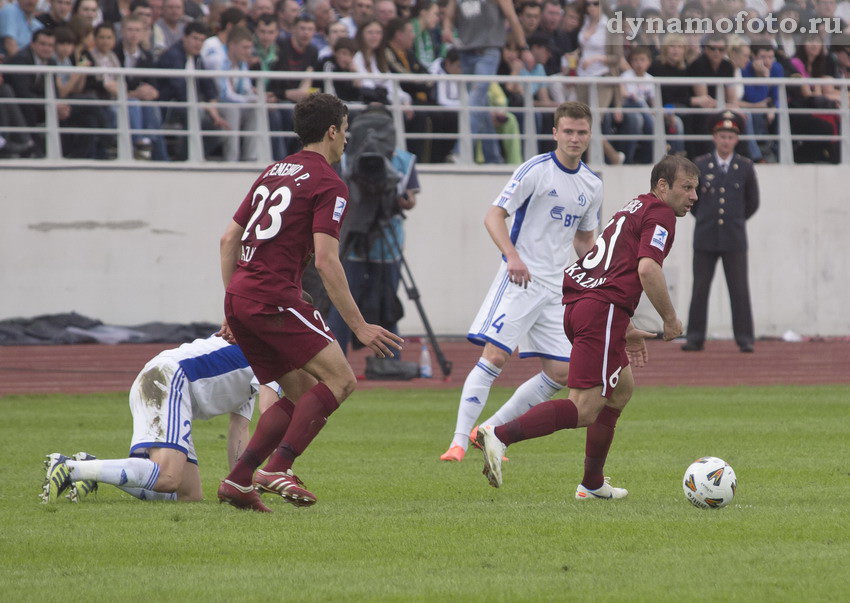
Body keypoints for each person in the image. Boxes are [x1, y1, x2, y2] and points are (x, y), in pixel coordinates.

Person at [216, 93, 403, 512]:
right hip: (272, 297)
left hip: (242, 297)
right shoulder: (328, 182)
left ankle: (239, 479)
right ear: (333, 130)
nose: (348, 140)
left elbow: (228, 239)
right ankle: (277, 467)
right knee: (342, 380)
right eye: (347, 130)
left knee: (300, 390)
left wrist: (232, 302)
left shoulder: (272, 171)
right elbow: (326, 260)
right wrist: (359, 326)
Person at [476, 155, 697, 496]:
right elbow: (647, 269)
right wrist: (670, 319)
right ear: (663, 186)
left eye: (696, 189)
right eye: (687, 187)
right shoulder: (662, 213)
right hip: (600, 311)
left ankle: (592, 484)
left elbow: (611, 267)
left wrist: (623, 328)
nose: (694, 196)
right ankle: (499, 435)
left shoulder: (635, 206)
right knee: (583, 409)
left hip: (583, 304)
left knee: (621, 390)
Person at [440, 101, 602, 463]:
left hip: (556, 287)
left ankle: (488, 430)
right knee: (495, 356)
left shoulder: (591, 184)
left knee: (561, 371)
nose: (575, 138)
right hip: (521, 280)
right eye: (569, 131)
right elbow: (494, 216)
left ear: (589, 135)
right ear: (555, 133)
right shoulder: (535, 170)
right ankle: (457, 443)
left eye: (581, 132)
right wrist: (512, 256)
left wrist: (595, 279)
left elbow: (584, 240)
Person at [41, 335, 281, 504]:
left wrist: (241, 484)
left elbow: (239, 429)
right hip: (168, 380)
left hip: (168, 383)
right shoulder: (272, 352)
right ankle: (68, 468)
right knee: (167, 477)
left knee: (189, 495)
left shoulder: (254, 353)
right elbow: (270, 412)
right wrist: (279, 468)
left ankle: (90, 469)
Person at [682, 112, 759, 353]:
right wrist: (707, 218)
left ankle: (745, 338)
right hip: (705, 236)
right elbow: (692, 201)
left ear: (737, 140)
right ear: (714, 137)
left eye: (731, 136)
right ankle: (695, 337)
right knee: (700, 289)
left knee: (739, 289)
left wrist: (734, 220)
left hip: (734, 238)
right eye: (722, 136)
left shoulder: (745, 167)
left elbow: (752, 202)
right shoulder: (701, 164)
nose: (726, 141)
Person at [441, 0, 532, 164]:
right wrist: (447, 29)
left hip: (488, 51)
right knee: (480, 105)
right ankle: (493, 158)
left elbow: (512, 18)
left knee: (475, 99)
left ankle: (461, 152)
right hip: (465, 52)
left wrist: (524, 48)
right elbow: (449, 16)